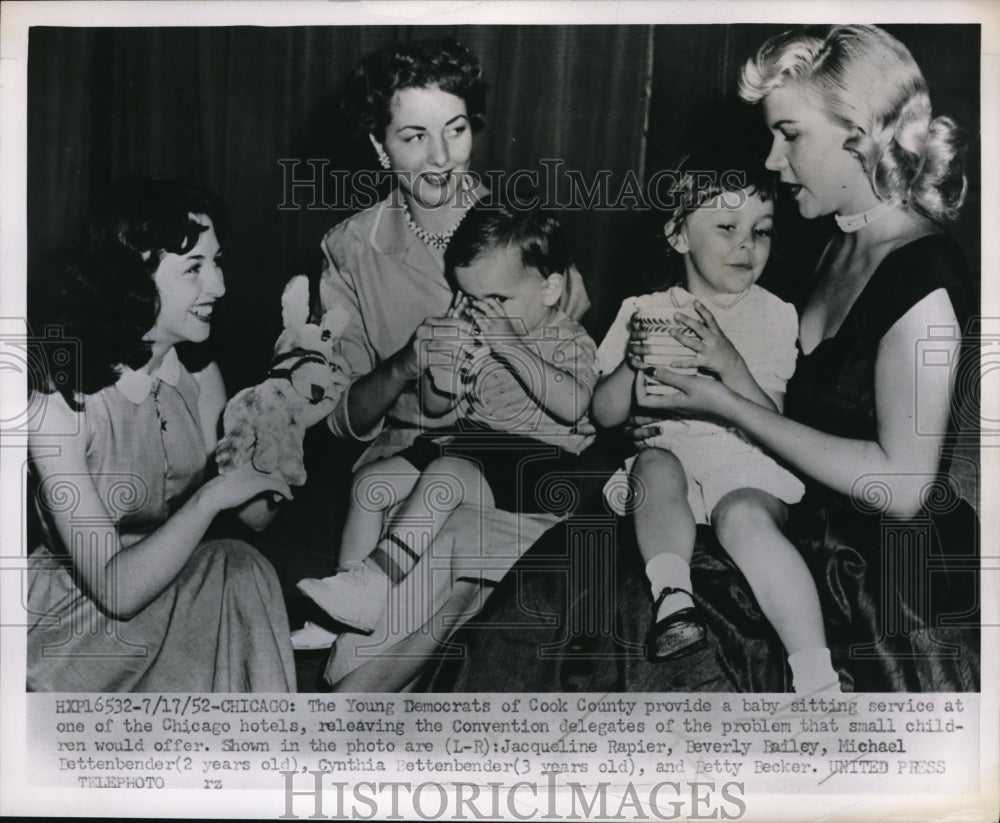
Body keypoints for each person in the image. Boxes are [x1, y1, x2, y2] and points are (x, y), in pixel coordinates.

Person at [426, 24, 978, 693]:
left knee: (614, 605)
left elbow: (903, 486)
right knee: (573, 560)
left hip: (862, 567)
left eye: (789, 134)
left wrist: (724, 405)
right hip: (773, 504)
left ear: (856, 134)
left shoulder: (922, 277)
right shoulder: (834, 245)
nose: (773, 160)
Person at [293, 38, 592, 678]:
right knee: (396, 507)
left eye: (455, 131)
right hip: (411, 452)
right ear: (379, 147)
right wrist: (405, 364)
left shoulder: (518, 226)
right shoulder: (349, 248)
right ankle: (357, 639)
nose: (439, 159)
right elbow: (336, 420)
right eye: (412, 137)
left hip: (520, 452)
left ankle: (358, 685)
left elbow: (572, 361)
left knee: (446, 558)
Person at [26, 179, 346, 692]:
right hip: (72, 623)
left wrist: (288, 423)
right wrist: (210, 499)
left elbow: (256, 516)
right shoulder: (59, 403)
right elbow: (116, 589)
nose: (218, 285)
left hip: (163, 589)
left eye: (216, 263)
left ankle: (269, 751)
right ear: (132, 277)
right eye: (195, 268)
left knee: (240, 564)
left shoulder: (195, 375)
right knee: (230, 570)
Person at [592, 148, 839, 692]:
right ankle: (673, 597)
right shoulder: (642, 310)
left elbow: (770, 418)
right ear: (679, 235)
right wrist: (632, 369)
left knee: (743, 517)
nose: (747, 245)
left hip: (746, 462)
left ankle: (817, 677)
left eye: (763, 230)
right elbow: (603, 415)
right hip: (672, 463)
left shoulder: (775, 315)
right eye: (727, 227)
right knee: (653, 464)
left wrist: (729, 363)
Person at [298, 204, 598, 632]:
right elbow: (438, 408)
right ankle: (349, 607)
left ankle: (378, 584)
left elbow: (575, 404)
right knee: (371, 484)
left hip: (539, 465)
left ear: (550, 289)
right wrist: (442, 367)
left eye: (497, 300)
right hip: (471, 445)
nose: (481, 313)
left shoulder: (566, 336)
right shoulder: (477, 327)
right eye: (469, 299)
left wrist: (511, 347)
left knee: (444, 476)